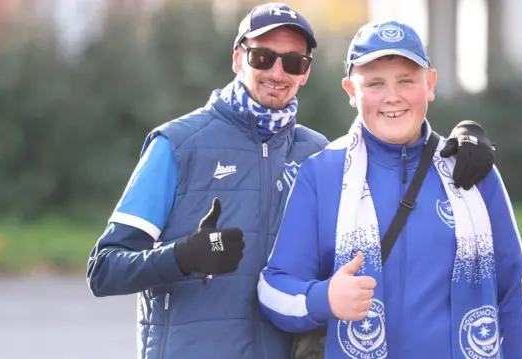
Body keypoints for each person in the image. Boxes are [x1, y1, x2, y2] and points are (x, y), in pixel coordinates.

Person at [86, 3, 497, 359]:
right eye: (263, 57)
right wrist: (181, 257)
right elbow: (103, 270)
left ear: (306, 72)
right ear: (238, 58)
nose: (277, 72)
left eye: (294, 62)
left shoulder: (317, 154)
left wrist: (462, 138)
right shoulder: (177, 145)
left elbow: (397, 146)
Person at [257, 19, 522, 359]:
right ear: (351, 91)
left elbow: (515, 295)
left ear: (430, 84)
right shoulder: (321, 174)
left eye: (406, 81)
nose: (392, 97)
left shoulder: (471, 169)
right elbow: (273, 289)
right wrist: (325, 298)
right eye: (375, 83)